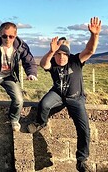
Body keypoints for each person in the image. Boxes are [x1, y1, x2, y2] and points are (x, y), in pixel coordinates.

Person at [28, 17, 101, 172]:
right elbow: (43, 64)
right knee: (44, 104)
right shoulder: (52, 62)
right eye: (58, 54)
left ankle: (81, 160)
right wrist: (51, 51)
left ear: (68, 55)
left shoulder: (76, 60)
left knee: (84, 129)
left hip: (76, 98)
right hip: (58, 94)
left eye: (64, 54)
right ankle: (41, 122)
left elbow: (90, 50)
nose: (61, 57)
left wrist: (94, 35)